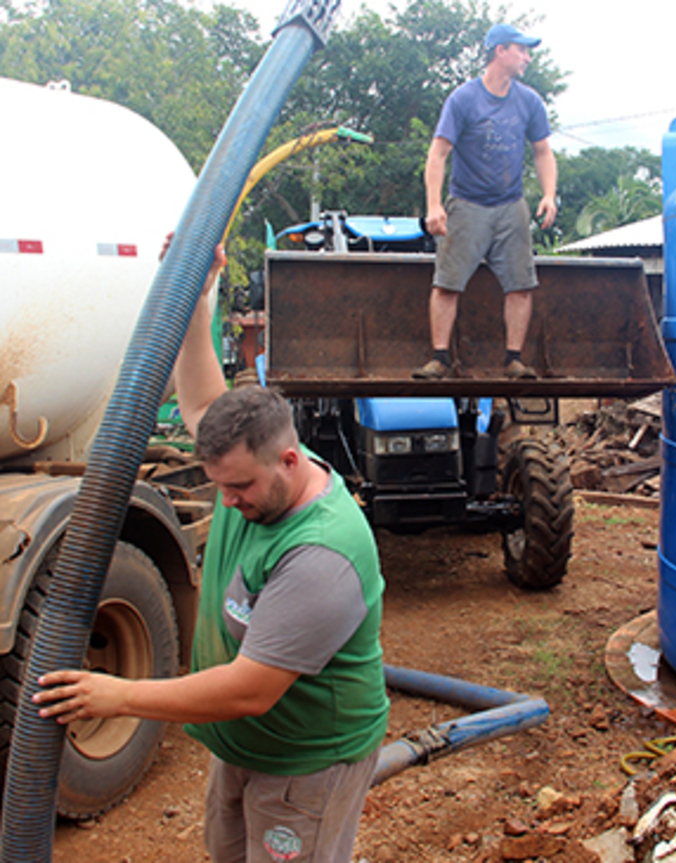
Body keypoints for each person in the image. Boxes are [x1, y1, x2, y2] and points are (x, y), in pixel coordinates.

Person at [34, 242, 389, 863]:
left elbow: (250, 690)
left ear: (289, 459)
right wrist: (199, 297)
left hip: (308, 760)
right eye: (219, 485)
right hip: (247, 747)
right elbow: (201, 402)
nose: (226, 503)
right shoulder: (253, 473)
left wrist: (119, 695)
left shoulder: (322, 555)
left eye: (240, 488)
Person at [413, 22, 558, 381]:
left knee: (521, 284)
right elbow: (438, 154)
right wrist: (434, 205)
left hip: (511, 205)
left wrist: (550, 194)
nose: (527, 57)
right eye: (521, 50)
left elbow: (542, 151)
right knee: (447, 282)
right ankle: (440, 359)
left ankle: (513, 359)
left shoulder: (529, 101)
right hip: (467, 203)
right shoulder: (464, 99)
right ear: (500, 51)